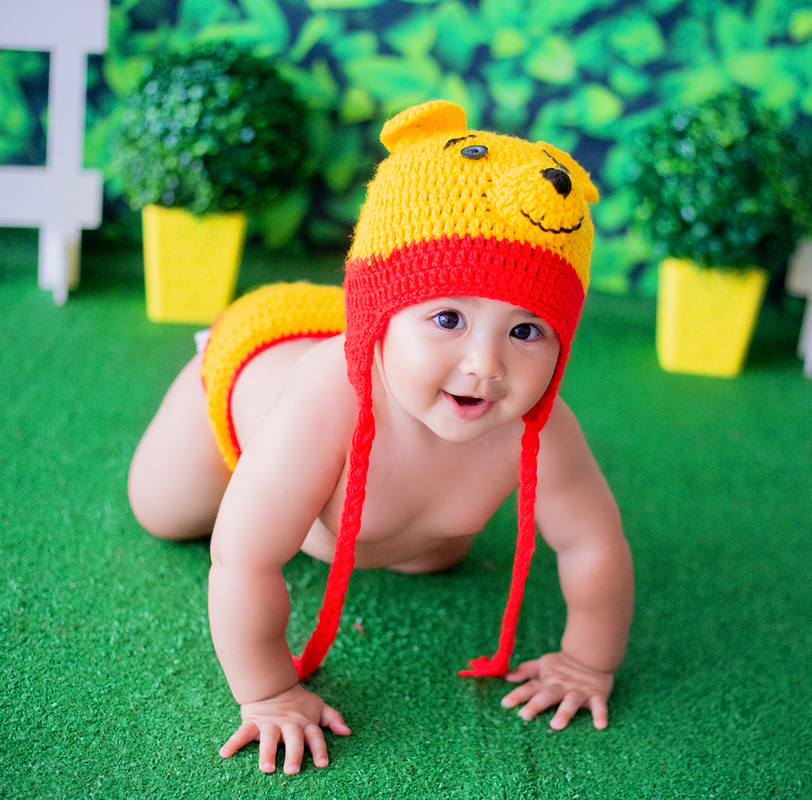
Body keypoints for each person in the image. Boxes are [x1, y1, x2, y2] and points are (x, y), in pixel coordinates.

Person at [127, 100, 634, 776]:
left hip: (380, 382)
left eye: (525, 331)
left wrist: (587, 662)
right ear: (383, 315)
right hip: (255, 354)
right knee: (162, 511)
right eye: (449, 318)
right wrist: (270, 693)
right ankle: (233, 441)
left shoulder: (538, 425)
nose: (485, 365)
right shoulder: (327, 396)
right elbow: (243, 560)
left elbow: (593, 542)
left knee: (433, 554)